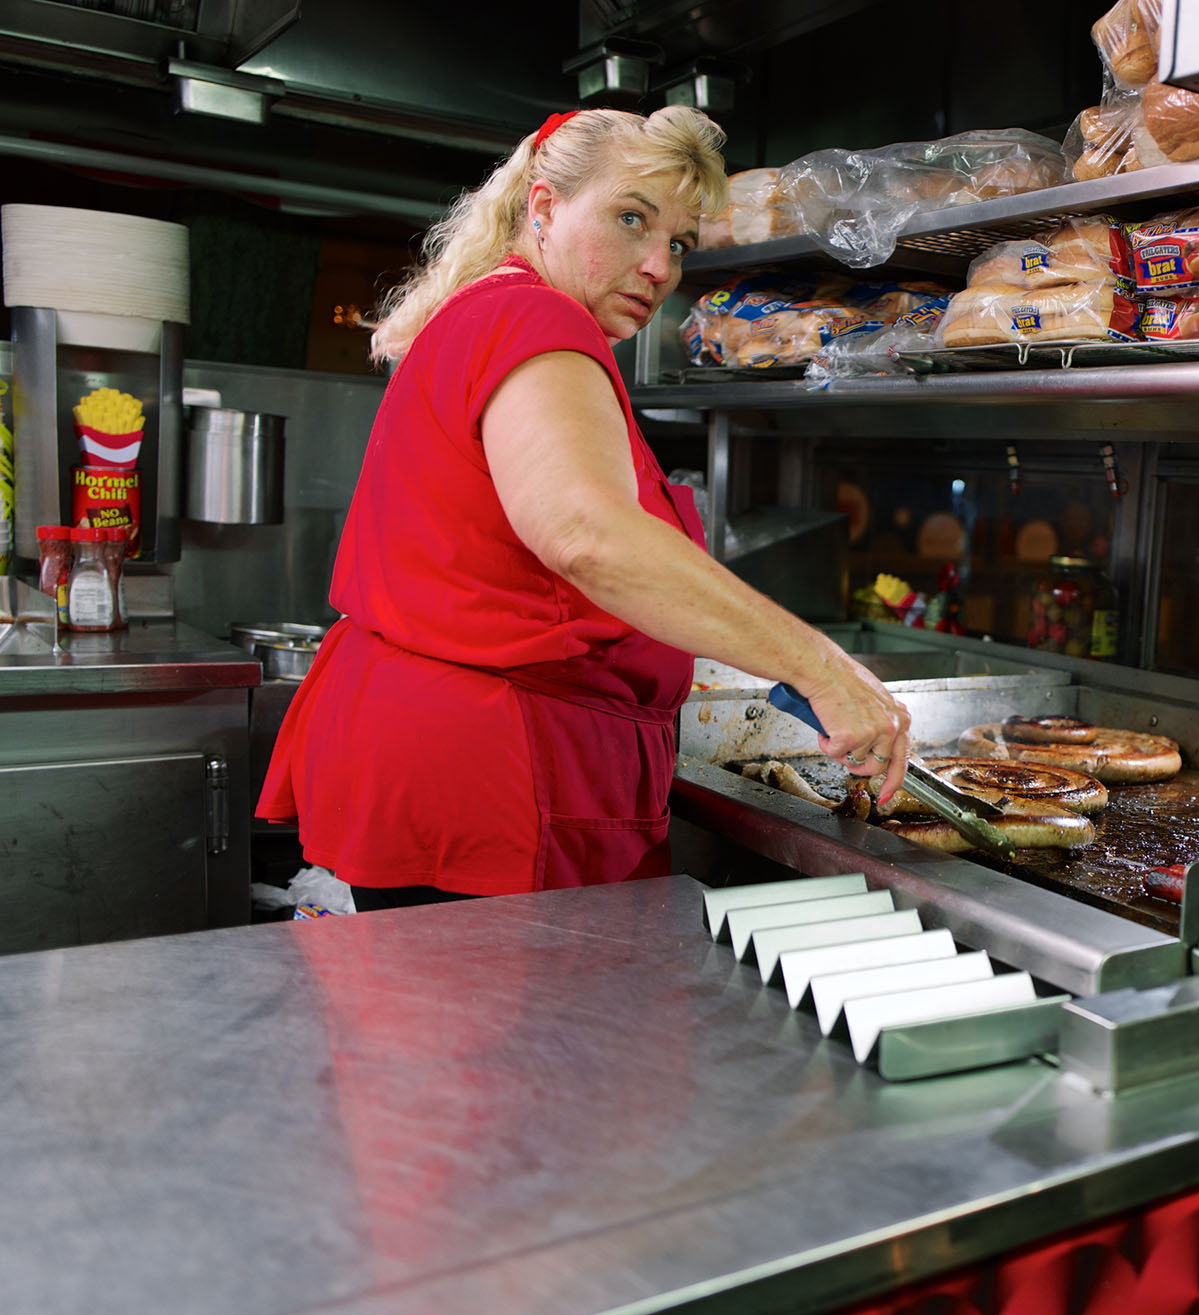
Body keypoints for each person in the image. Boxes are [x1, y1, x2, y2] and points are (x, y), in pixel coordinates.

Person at [257, 107, 910, 910]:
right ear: (544, 207)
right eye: (631, 219)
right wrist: (817, 666)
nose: (659, 267)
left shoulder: (487, 310)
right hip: (497, 780)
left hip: (454, 764)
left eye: (678, 243)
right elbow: (588, 535)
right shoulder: (536, 317)